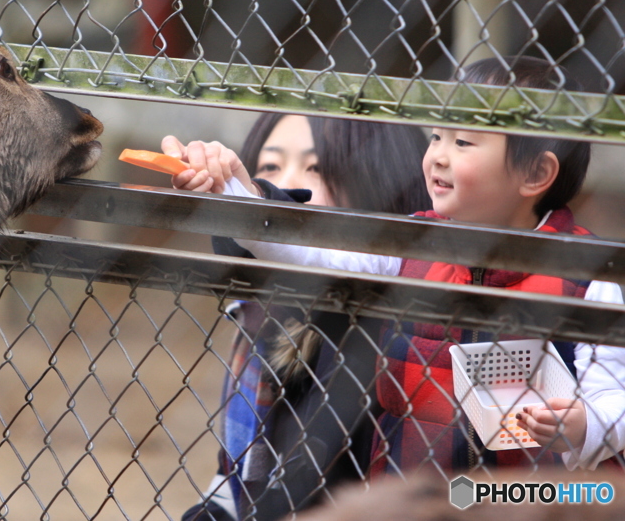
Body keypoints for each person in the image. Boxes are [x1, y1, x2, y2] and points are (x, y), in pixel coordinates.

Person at [171, 57, 625, 502]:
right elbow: (315, 254)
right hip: (410, 498)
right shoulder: (410, 244)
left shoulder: (584, 275)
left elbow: (615, 395)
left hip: (532, 503)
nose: (438, 157)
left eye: (463, 142)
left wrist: (584, 426)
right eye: (436, 136)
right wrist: (236, 197)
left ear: (537, 173)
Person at [172, 113, 431, 520]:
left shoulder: (391, 338)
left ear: (381, 181)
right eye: (271, 167)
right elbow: (234, 480)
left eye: (316, 167)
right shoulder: (260, 315)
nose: (291, 182)